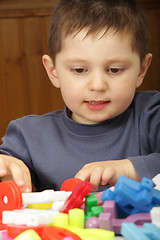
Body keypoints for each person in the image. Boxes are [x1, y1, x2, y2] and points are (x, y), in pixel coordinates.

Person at [0, 0, 159, 193]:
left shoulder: (151, 114)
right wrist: (7, 171)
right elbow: (7, 173)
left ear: (141, 70)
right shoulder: (28, 136)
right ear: (54, 72)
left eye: (115, 69)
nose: (98, 85)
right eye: (80, 69)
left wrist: (128, 168)